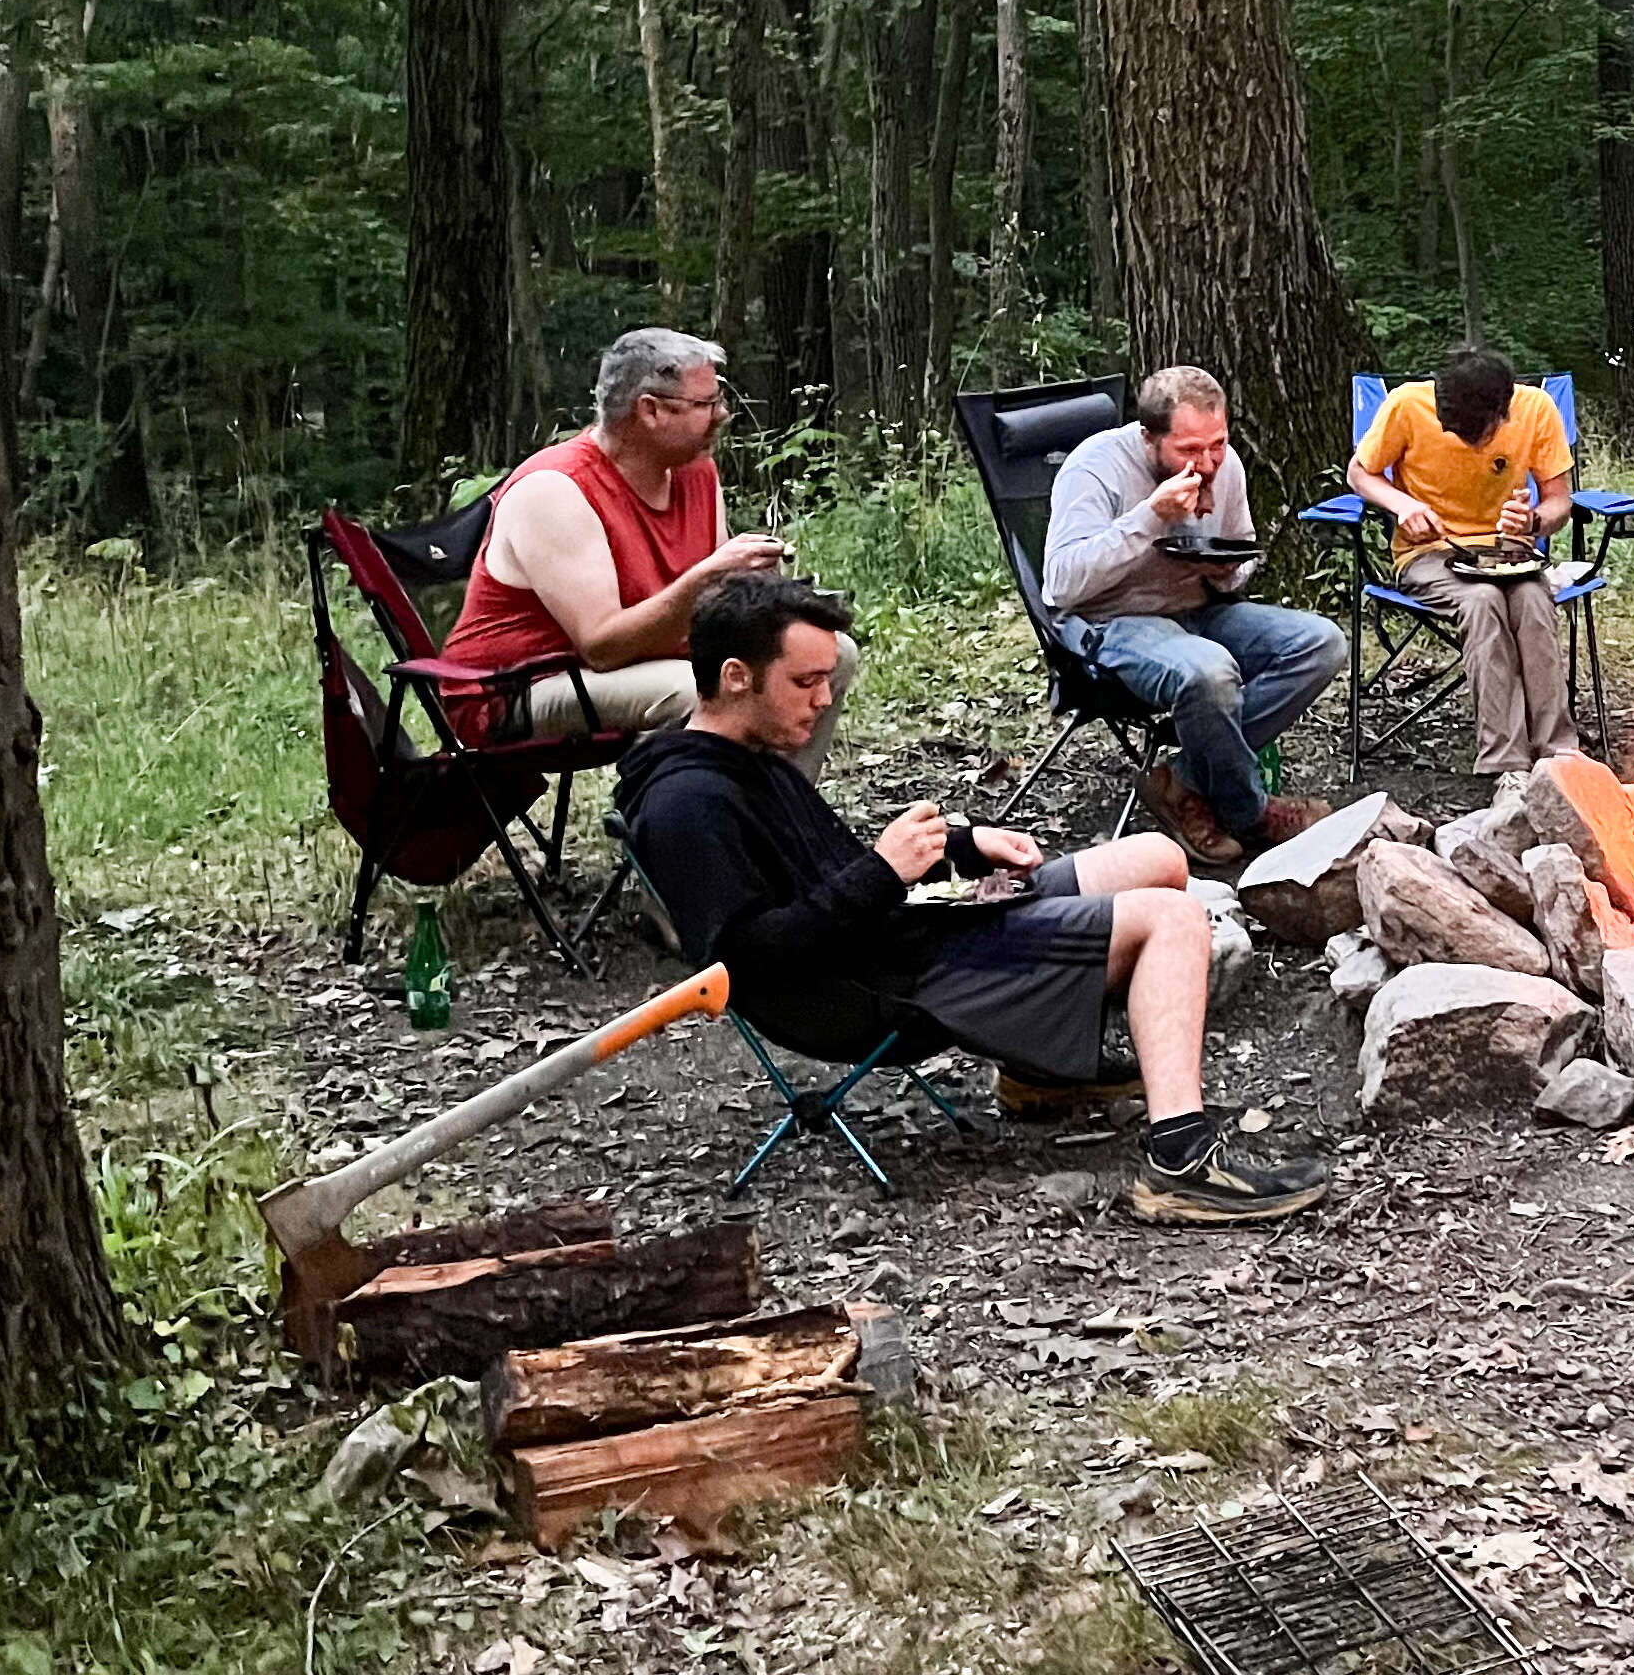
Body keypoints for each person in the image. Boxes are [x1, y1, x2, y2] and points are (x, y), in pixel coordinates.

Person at [617, 574, 1333, 1225]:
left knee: (1158, 857)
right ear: (736, 677)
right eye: (805, 681)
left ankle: (1040, 1074)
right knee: (1172, 919)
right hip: (885, 986)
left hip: (902, 937)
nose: (824, 699)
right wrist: (885, 872)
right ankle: (1182, 1162)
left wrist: (962, 846)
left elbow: (841, 879)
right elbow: (745, 960)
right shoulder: (689, 802)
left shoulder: (742, 758)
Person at [442, 327, 849, 765]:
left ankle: (778, 816)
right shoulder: (555, 490)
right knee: (703, 691)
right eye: (706, 404)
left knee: (831, 652)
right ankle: (677, 824)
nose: (723, 414)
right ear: (650, 410)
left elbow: (715, 609)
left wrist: (774, 600)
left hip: (636, 664)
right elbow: (602, 648)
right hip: (520, 688)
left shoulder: (695, 470)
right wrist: (709, 574)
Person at [1045, 366, 1345, 867]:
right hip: (1113, 620)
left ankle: (1184, 777)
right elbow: (1062, 583)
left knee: (1322, 644)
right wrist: (1150, 517)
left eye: (1218, 445)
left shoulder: (1224, 467)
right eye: (1189, 451)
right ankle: (1249, 811)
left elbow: (1240, 555)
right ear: (1149, 437)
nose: (1207, 463)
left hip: (1200, 608)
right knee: (1208, 671)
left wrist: (1225, 571)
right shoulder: (1094, 466)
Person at [1346, 346, 1582, 772]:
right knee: (1482, 602)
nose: (1466, 441)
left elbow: (1559, 503)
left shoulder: (1536, 409)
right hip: (1429, 552)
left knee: (1531, 602)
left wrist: (1532, 522)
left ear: (1504, 410)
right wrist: (1402, 505)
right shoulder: (1406, 405)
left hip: (1509, 553)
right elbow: (1359, 473)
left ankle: (1559, 755)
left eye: (1478, 433)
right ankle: (1505, 764)